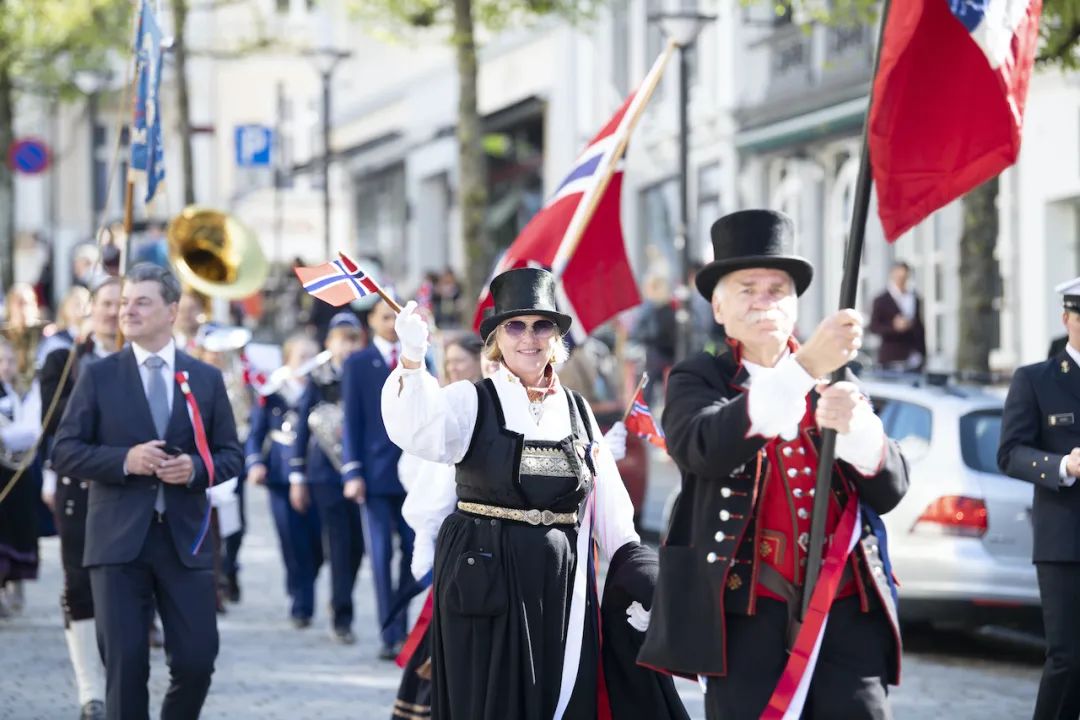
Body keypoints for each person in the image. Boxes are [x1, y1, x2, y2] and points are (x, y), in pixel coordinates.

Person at [638, 209, 910, 719]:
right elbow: (703, 447)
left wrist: (856, 429)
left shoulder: (838, 376)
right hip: (744, 612)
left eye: (777, 289)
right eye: (748, 289)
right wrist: (804, 368)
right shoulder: (699, 377)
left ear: (795, 304)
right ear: (719, 307)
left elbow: (891, 489)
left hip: (844, 604)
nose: (764, 300)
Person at [383, 267, 641, 719]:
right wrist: (411, 358)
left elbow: (613, 514)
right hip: (484, 581)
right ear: (496, 339)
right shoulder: (469, 400)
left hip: (560, 585)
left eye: (541, 326)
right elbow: (417, 431)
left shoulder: (577, 410)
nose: (529, 338)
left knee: (557, 702)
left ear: (556, 337)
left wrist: (641, 576)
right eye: (515, 326)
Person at [52, 263, 243, 720]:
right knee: (125, 668)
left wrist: (195, 469)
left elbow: (231, 455)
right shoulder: (99, 375)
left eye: (141, 302)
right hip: (117, 544)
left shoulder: (205, 378)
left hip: (185, 543)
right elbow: (64, 450)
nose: (127, 310)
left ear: (171, 311)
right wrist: (125, 460)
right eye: (124, 302)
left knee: (197, 661)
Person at [998, 276, 1080, 720]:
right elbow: (1010, 453)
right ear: (1067, 319)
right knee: (1068, 658)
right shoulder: (1036, 379)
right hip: (1066, 541)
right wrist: (1063, 465)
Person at [39, 276, 121, 720]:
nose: (114, 312)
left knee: (126, 586)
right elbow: (57, 425)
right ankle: (91, 690)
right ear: (91, 309)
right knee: (79, 585)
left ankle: (121, 679)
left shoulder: (142, 360)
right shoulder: (64, 360)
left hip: (129, 491)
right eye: (106, 303)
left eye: (122, 304)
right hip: (80, 488)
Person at [342, 298, 418, 660]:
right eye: (385, 317)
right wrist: (353, 470)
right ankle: (390, 633)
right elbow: (352, 420)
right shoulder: (358, 363)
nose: (391, 324)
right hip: (374, 476)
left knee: (412, 553)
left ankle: (403, 623)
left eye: (397, 317)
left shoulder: (417, 359)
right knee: (380, 554)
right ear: (371, 320)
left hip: (413, 474)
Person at [289, 311, 365, 644]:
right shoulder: (317, 377)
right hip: (325, 473)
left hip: (359, 471)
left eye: (353, 339)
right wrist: (297, 475)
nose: (347, 346)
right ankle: (342, 615)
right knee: (338, 542)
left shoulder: (365, 374)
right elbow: (302, 428)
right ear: (329, 342)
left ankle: (340, 598)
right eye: (341, 339)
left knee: (357, 547)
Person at [246, 334, 324, 628]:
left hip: (315, 475)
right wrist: (255, 463)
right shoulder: (272, 391)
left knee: (316, 543)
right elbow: (255, 433)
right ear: (288, 359)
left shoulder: (321, 390)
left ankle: (306, 584)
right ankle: (301, 602)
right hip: (279, 475)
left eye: (312, 356)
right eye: (301, 357)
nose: (307, 363)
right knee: (291, 539)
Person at [0, 337, 43, 617]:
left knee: (18, 529)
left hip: (18, 472)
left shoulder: (23, 392)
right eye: (0, 361)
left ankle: (13, 582)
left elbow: (31, 431)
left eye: (10, 361)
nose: (5, 366)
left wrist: (6, 435)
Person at [869, 260, 927, 371]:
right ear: (892, 275)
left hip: (913, 357)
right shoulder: (881, 300)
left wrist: (923, 355)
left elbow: (920, 328)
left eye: (904, 277)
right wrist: (893, 326)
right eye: (899, 277)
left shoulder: (915, 298)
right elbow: (873, 327)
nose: (901, 280)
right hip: (891, 357)